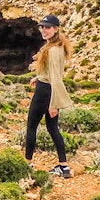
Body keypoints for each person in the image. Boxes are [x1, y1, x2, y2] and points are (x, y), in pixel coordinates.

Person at [25, 14, 74, 178]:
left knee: (31, 126)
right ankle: (64, 167)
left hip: (46, 92)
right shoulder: (58, 46)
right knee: (52, 128)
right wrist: (38, 77)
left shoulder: (53, 51)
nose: (43, 30)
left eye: (47, 27)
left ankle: (27, 163)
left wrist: (54, 104)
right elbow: (53, 73)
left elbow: (55, 78)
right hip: (47, 88)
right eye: (42, 27)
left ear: (55, 29)